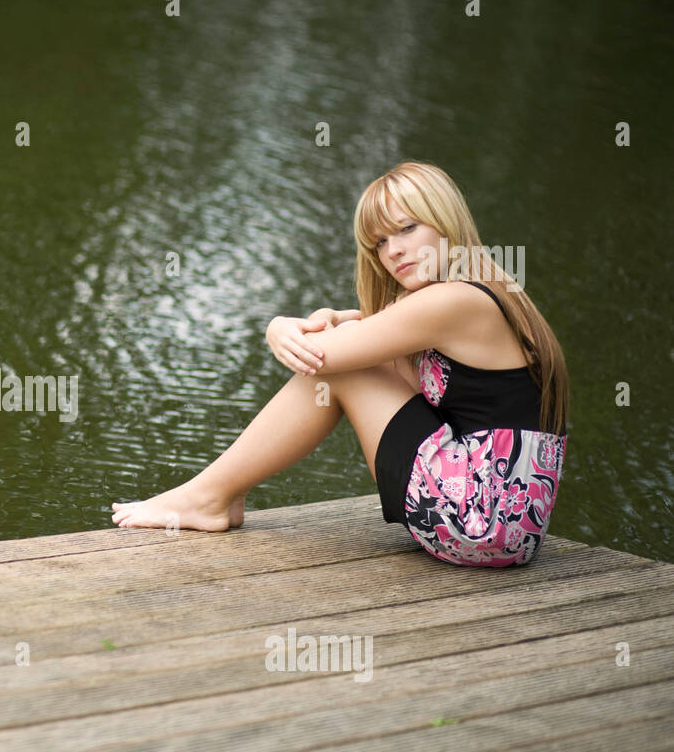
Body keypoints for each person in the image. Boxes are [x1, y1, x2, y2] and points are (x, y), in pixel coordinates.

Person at [109, 161, 570, 567]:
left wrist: (278, 327)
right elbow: (373, 346)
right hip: (506, 528)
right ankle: (219, 493)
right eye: (380, 242)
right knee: (354, 366)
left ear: (447, 223)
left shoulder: (453, 302)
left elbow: (326, 356)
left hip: (477, 521)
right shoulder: (484, 293)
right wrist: (325, 324)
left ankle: (208, 497)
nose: (393, 251)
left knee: (340, 372)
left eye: (408, 229)